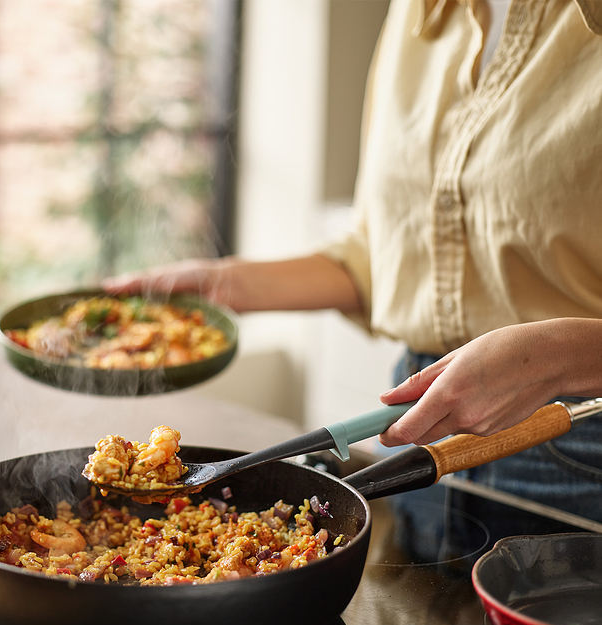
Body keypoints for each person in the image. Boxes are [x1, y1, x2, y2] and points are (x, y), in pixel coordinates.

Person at [104, 0, 602, 557]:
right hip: (419, 424)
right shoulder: (417, 13)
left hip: (582, 441)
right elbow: (383, 254)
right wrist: (223, 284)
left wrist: (557, 357)